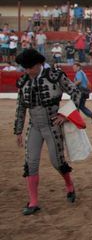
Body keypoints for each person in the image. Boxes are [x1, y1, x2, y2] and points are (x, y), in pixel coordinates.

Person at [14, 49, 82, 215]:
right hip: (34, 126)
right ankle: (34, 202)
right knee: (31, 162)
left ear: (39, 64)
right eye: (25, 68)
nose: (27, 71)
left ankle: (69, 185)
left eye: (30, 67)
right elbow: (21, 106)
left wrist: (65, 115)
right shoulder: (23, 81)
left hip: (52, 125)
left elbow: (76, 93)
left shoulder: (55, 76)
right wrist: (18, 130)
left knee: (57, 161)